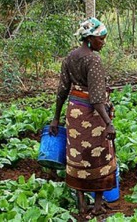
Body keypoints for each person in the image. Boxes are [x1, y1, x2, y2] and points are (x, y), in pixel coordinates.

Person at [50, 17, 116, 218]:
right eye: (101, 39)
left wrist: (55, 118)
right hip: (92, 114)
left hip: (74, 112)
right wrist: (109, 123)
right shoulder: (93, 59)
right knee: (98, 156)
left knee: (77, 155)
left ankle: (81, 204)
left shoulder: (70, 57)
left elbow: (62, 90)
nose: (103, 43)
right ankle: (96, 205)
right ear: (89, 38)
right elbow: (96, 99)